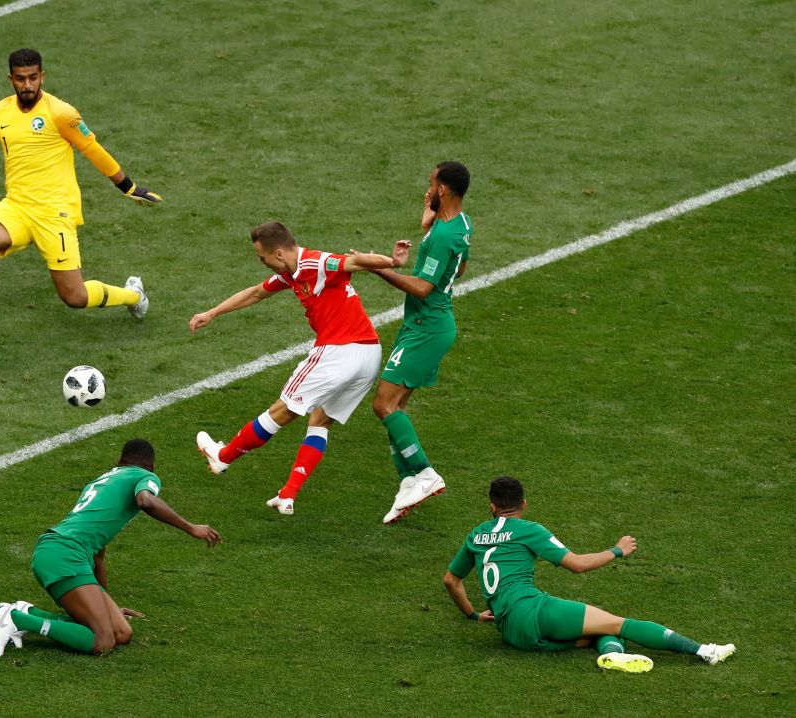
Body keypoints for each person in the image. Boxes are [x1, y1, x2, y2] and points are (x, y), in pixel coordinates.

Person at [0, 48, 161, 326]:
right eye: (21, 79)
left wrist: (129, 188)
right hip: (17, 207)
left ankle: (133, 295)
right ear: (11, 78)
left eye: (33, 77)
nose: (28, 85)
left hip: (54, 213)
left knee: (75, 296)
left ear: (42, 76)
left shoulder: (61, 113)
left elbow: (93, 150)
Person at [189, 221, 398, 516]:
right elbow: (255, 293)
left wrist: (391, 261)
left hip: (338, 351)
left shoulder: (316, 262)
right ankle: (287, 495)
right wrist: (212, 313)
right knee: (321, 420)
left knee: (282, 410)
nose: (261, 263)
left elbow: (353, 262)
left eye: (261, 258)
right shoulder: (290, 272)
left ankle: (222, 457)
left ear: (277, 254)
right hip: (368, 355)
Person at [442, 476, 736, 672]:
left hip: (510, 632)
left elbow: (451, 581)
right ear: (524, 505)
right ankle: (704, 651)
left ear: (492, 507)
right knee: (620, 624)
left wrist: (473, 615)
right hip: (533, 611)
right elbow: (577, 564)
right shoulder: (529, 529)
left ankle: (614, 655)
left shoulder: (476, 534)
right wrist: (617, 550)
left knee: (598, 629)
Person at [0, 438, 221, 657]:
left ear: (121, 460)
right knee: (103, 642)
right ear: (151, 465)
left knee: (121, 633)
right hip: (64, 554)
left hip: (60, 550)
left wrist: (105, 604)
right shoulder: (143, 476)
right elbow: (146, 501)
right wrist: (191, 528)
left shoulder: (104, 481)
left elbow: (98, 556)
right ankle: (16, 619)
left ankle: (28, 612)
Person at [367, 161, 472, 524]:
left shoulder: (444, 235)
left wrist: (379, 268)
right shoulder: (459, 225)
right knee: (398, 407)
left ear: (443, 189)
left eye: (431, 184)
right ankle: (408, 481)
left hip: (426, 327)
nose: (427, 189)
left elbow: (423, 287)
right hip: (430, 323)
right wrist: (427, 225)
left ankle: (424, 474)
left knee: (383, 405)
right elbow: (459, 268)